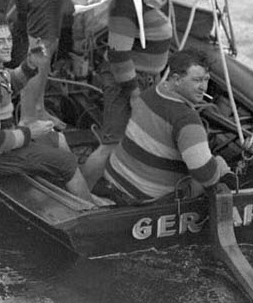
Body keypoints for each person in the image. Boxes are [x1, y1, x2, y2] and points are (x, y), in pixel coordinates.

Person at [0, 10, 108, 206]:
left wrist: (29, 65)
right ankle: (90, 211)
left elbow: (8, 84)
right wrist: (28, 132)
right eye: (0, 42)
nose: (8, 46)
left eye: (8, 39)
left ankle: (80, 192)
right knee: (67, 163)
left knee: (58, 139)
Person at [80, 0, 180, 187]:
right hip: (124, 79)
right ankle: (79, 193)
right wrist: (135, 95)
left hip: (150, 78)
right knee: (111, 142)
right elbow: (118, 54)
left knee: (141, 138)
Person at [99, 49, 235, 204]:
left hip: (114, 176)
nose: (203, 87)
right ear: (176, 79)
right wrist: (221, 168)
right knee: (213, 168)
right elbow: (204, 175)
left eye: (206, 79)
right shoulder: (187, 120)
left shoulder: (149, 93)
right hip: (144, 197)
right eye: (197, 80)